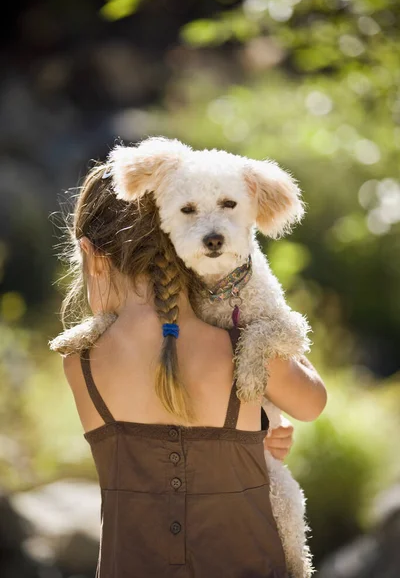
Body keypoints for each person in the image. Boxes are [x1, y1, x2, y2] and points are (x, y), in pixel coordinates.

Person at [53, 162, 327, 578]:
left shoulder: (80, 363)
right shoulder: (239, 348)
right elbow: (312, 403)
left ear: (92, 256)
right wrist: (263, 427)